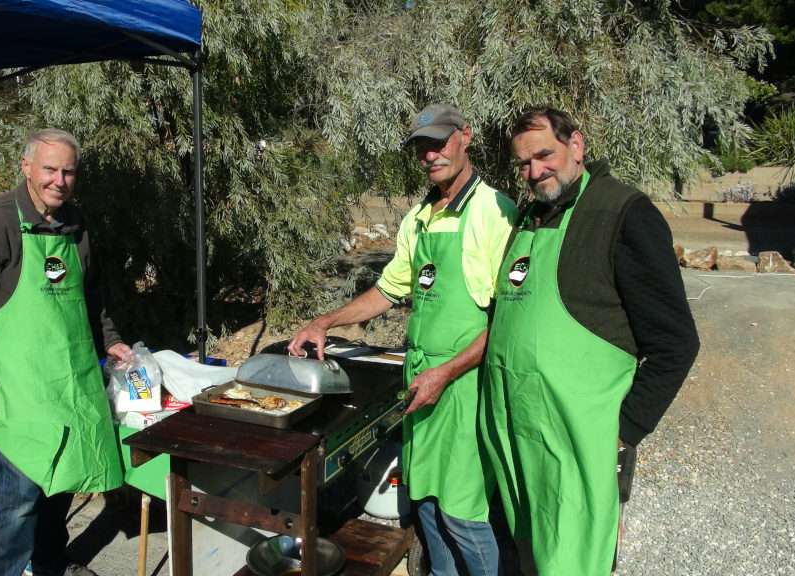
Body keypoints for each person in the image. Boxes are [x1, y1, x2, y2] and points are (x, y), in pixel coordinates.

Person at [289, 104, 517, 575]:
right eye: (422, 147)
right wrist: (324, 322)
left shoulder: (493, 212)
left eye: (439, 142)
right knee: (427, 507)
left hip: (465, 389)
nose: (431, 155)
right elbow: (387, 291)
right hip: (421, 384)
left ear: (465, 137)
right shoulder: (417, 217)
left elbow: (508, 320)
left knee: (464, 514)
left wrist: (446, 373)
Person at [480, 107, 700, 575]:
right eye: (523, 163)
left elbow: (676, 343)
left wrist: (624, 430)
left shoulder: (623, 213)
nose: (534, 171)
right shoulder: (530, 215)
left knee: (576, 560)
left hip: (583, 445)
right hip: (522, 439)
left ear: (576, 145)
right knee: (531, 554)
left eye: (544, 155)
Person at [0, 128, 129, 576]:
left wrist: (109, 339)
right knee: (21, 494)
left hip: (70, 379)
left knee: (63, 480)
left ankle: (48, 565)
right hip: (19, 384)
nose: (59, 180)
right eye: (49, 169)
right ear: (26, 167)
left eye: (68, 171)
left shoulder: (77, 222)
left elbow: (92, 296)